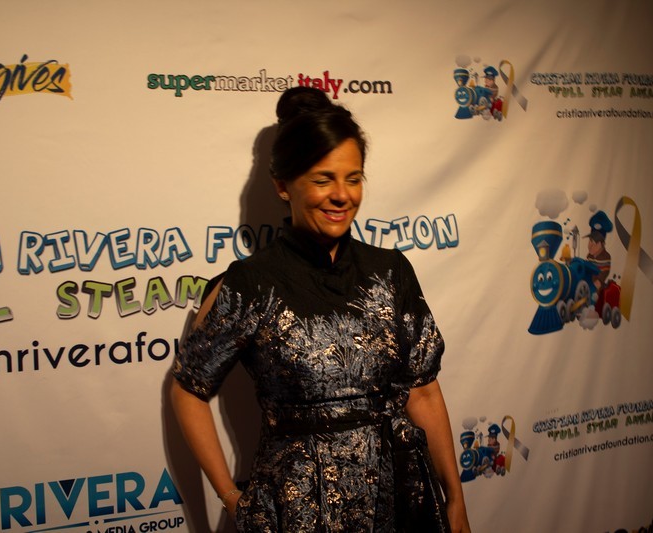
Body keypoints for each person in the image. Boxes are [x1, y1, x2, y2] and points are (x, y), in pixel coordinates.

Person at [171, 86, 470, 532]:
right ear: (283, 185)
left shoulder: (391, 271)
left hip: (400, 495)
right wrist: (233, 498)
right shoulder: (251, 283)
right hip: (300, 511)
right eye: (322, 179)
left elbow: (423, 391)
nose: (342, 195)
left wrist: (456, 500)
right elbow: (188, 390)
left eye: (354, 178)